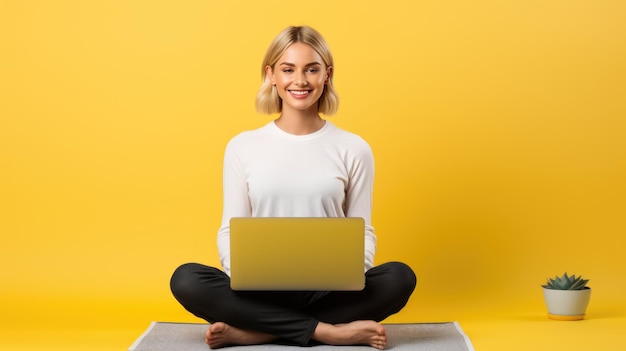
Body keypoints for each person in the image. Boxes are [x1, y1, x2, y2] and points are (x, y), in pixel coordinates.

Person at [170, 25, 416, 350]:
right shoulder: (243, 146)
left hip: (331, 290)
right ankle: (327, 331)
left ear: (326, 75)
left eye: (311, 69)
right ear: (271, 75)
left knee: (399, 277)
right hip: (260, 289)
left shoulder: (353, 148)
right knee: (186, 279)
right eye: (288, 70)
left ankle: (260, 330)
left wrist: (353, 272)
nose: (299, 81)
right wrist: (243, 275)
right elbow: (230, 229)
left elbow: (364, 231)